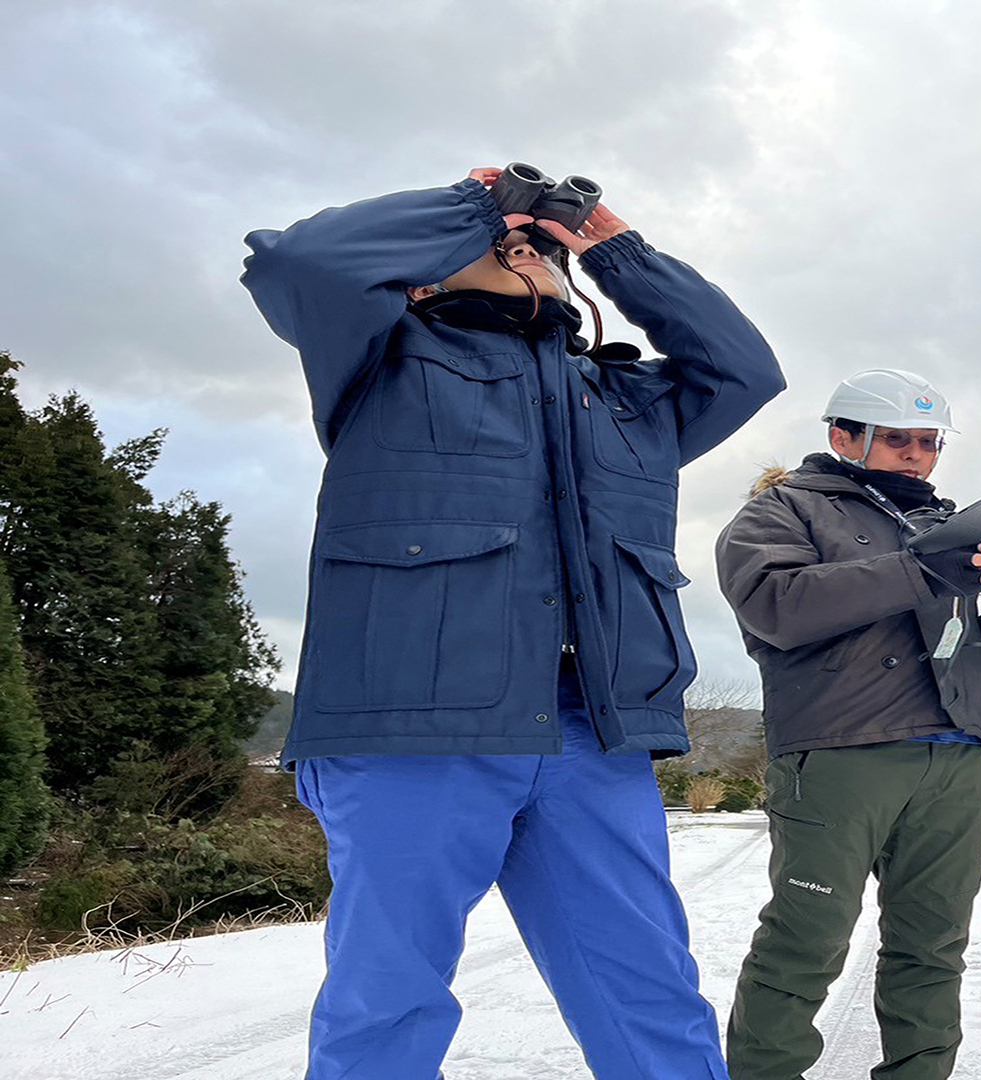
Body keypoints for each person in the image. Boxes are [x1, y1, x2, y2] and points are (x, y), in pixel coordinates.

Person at [241, 166, 784, 1079]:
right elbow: (301, 261)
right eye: (499, 246)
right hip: (410, 726)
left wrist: (613, 246)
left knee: (649, 991)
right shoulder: (380, 357)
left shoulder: (629, 402)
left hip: (591, 734)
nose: (521, 247)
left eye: (535, 245)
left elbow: (745, 369)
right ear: (426, 276)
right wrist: (474, 204)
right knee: (388, 1001)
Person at [714, 369, 981, 1080]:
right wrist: (921, 569)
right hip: (841, 755)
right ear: (842, 436)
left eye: (928, 442)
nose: (916, 454)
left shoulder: (944, 526)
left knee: (935, 943)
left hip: (950, 757)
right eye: (898, 440)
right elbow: (778, 607)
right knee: (807, 938)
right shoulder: (780, 512)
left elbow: (977, 646)